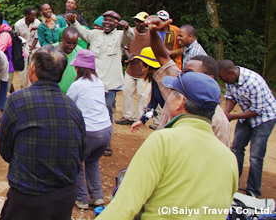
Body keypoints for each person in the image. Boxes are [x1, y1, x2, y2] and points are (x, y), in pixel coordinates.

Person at [97, 72, 238, 220]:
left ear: (180, 101)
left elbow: (124, 206)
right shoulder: (229, 158)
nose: (167, 100)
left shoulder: (163, 141)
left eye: (170, 94)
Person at [0, 45, 86, 220]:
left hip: (27, 194)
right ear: (61, 76)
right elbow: (80, 153)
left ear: (32, 70)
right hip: (64, 197)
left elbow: (5, 150)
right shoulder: (73, 108)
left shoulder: (17, 100)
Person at [144, 15, 232, 146]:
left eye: (189, 72)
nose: (183, 75)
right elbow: (162, 55)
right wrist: (153, 31)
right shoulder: (179, 87)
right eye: (184, 71)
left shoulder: (218, 121)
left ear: (209, 79)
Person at [218, 60, 276, 198]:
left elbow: (258, 110)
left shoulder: (253, 82)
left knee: (256, 156)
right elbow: (231, 97)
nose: (224, 81)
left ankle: (253, 191)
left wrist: (233, 116)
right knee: (236, 149)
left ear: (232, 73)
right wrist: (227, 112)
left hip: (265, 118)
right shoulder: (229, 78)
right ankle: (233, 183)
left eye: (225, 79)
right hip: (246, 115)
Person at [68, 10, 134, 123]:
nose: (106, 23)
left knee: (108, 107)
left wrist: (127, 28)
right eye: (105, 20)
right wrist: (74, 22)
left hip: (111, 82)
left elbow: (130, 36)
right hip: (94, 80)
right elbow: (82, 31)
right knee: (90, 104)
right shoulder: (94, 34)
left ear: (116, 23)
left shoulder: (120, 35)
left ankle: (106, 130)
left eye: (110, 21)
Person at [66, 49, 112, 210]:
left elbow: (68, 105)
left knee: (76, 163)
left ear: (78, 67)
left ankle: (82, 198)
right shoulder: (99, 82)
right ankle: (97, 196)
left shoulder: (77, 85)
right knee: (92, 161)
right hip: (106, 131)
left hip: (89, 132)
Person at [116, 11, 151, 125]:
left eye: (140, 21)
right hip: (131, 70)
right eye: (136, 20)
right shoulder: (131, 32)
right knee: (127, 93)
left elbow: (155, 52)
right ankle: (127, 116)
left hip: (145, 72)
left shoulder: (151, 35)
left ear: (146, 23)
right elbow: (125, 47)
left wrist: (142, 59)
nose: (137, 23)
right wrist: (129, 56)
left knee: (142, 96)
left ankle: (139, 119)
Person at [14, 7, 40, 88]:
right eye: (33, 16)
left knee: (35, 66)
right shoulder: (18, 24)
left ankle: (34, 86)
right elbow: (17, 38)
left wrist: (30, 49)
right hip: (23, 47)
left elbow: (36, 38)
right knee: (23, 68)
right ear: (27, 16)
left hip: (35, 47)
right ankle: (23, 87)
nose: (35, 17)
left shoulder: (37, 23)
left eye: (35, 15)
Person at [55, 27, 82, 93]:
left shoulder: (80, 52)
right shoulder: (51, 51)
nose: (71, 46)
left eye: (74, 43)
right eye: (68, 43)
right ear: (62, 39)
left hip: (73, 95)